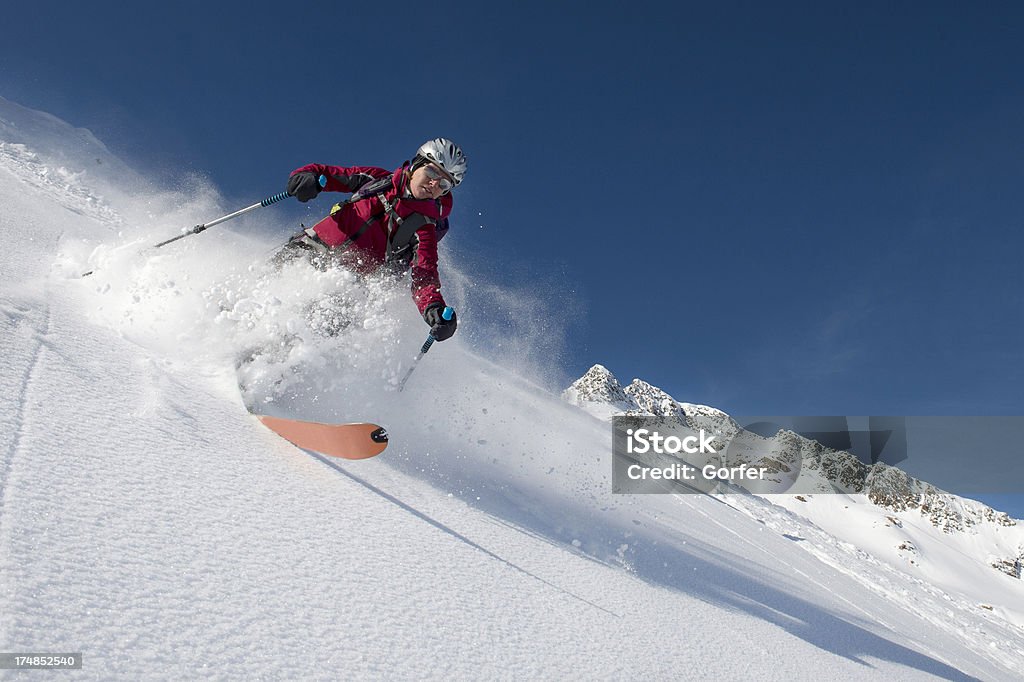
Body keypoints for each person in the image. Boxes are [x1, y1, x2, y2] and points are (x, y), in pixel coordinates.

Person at [279, 138, 466, 342]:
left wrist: (434, 308)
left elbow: (424, 276)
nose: (434, 184)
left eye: (444, 183)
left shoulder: (424, 228)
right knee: (262, 300)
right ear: (416, 165)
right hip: (309, 251)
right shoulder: (378, 181)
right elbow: (333, 175)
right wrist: (307, 177)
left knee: (296, 341)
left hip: (342, 290)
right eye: (432, 172)